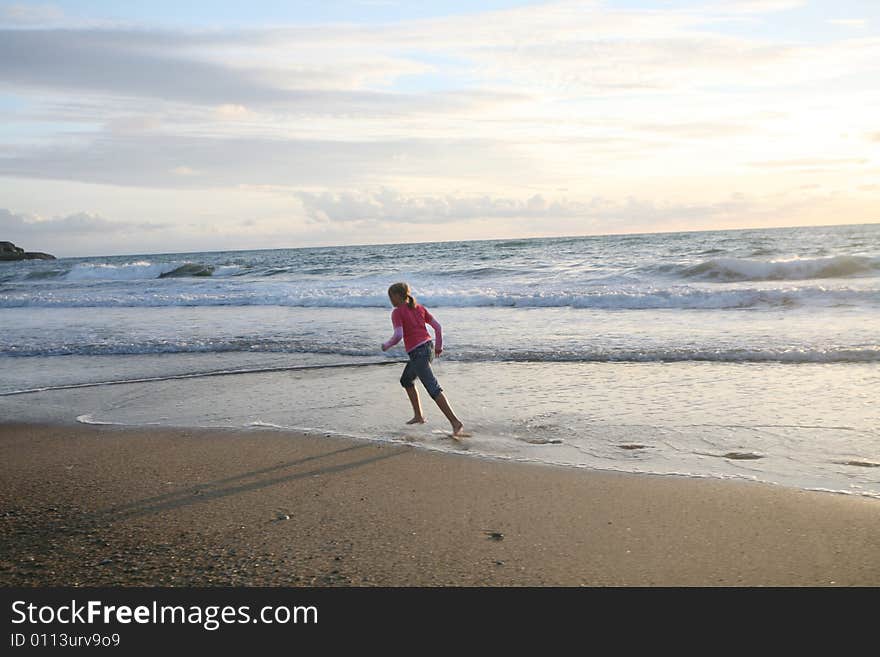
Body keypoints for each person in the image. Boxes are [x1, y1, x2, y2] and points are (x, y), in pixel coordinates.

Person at [381, 282, 465, 438]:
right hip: (428, 348)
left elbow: (398, 336)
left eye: (391, 296)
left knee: (433, 388)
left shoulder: (397, 312)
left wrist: (386, 345)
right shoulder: (419, 308)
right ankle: (418, 416)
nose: (390, 300)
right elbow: (438, 327)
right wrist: (438, 347)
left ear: (398, 296)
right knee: (406, 380)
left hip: (418, 353)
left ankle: (455, 422)